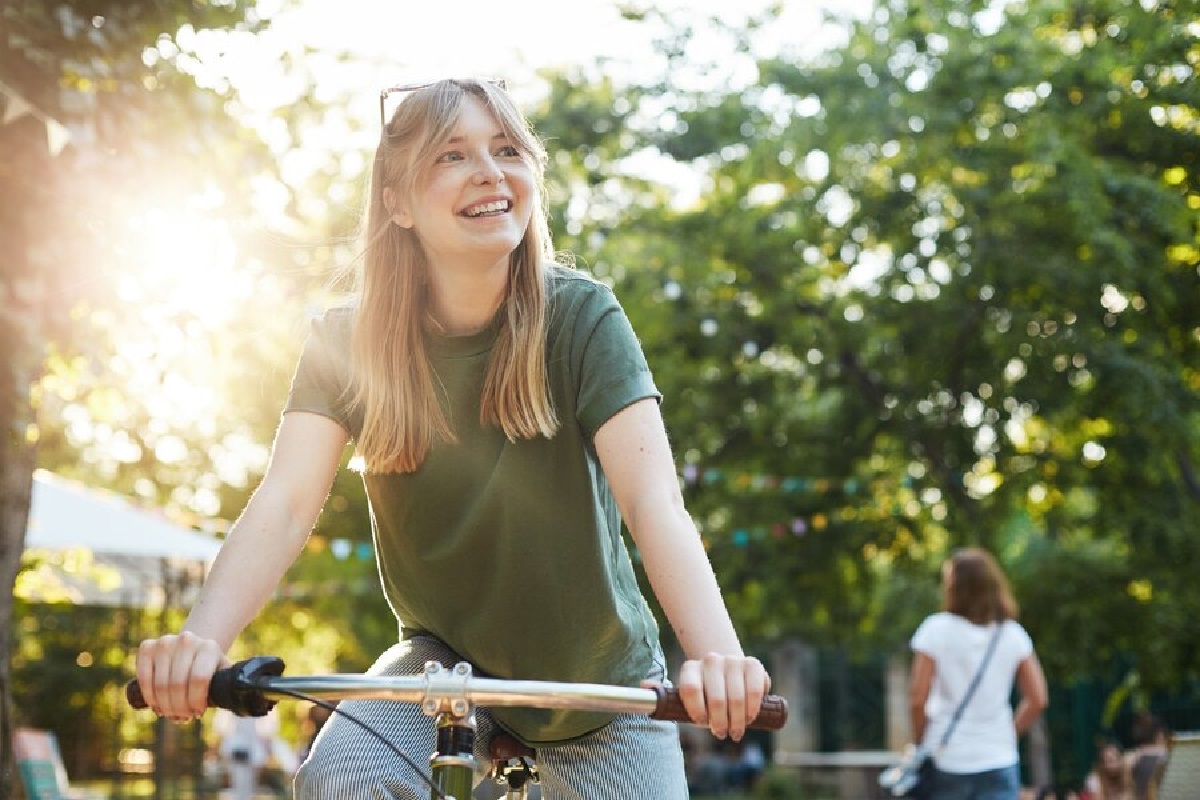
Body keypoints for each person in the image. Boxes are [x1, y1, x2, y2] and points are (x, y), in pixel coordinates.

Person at [133, 77, 771, 800]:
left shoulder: (584, 320)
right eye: (452, 156)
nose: (490, 172)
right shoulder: (346, 341)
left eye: (506, 149)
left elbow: (653, 503)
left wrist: (718, 656)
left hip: (595, 676)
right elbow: (283, 503)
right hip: (443, 667)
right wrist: (201, 643)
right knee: (343, 780)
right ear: (397, 202)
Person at [908, 547, 1049, 799]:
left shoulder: (936, 630)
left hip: (947, 758)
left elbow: (918, 698)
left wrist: (923, 741)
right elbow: (1038, 699)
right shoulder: (1012, 633)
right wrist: (1008, 733)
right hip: (998, 756)